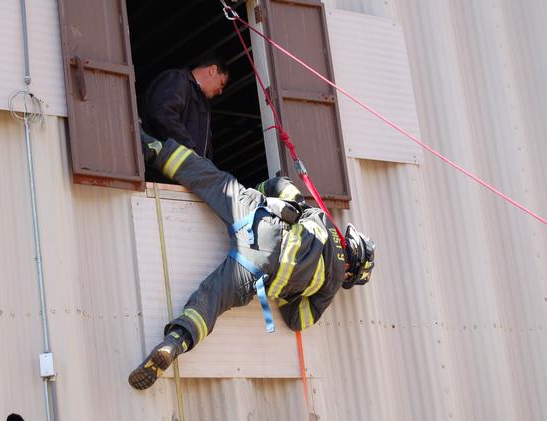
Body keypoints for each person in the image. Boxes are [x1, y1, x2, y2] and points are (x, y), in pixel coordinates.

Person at [129, 131, 376, 390]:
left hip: (257, 223)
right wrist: (291, 291)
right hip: (253, 272)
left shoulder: (322, 221)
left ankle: (150, 146)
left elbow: (280, 185)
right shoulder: (328, 290)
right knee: (209, 302)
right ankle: (174, 342)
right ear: (351, 273)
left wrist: (256, 193)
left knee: (209, 178)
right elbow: (295, 320)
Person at [139, 54, 229, 163]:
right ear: (212, 70)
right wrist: (188, 149)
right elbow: (163, 113)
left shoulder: (202, 103)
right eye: (222, 83)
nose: (220, 91)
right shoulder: (178, 79)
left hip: (185, 172)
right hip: (163, 168)